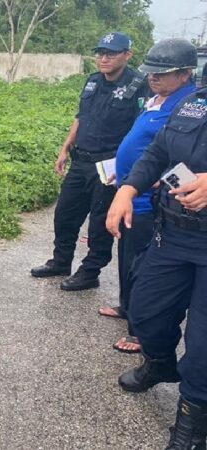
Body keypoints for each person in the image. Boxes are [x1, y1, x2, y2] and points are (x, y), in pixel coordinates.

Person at [105, 42, 206, 449]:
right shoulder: (192, 106)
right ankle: (161, 365)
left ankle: (191, 426)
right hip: (175, 234)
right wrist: (127, 189)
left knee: (202, 346)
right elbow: (158, 151)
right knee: (144, 311)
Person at [97, 39, 197, 354]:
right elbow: (149, 150)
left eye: (161, 73)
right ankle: (128, 307)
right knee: (128, 260)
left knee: (143, 269)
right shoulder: (156, 100)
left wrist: (157, 182)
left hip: (149, 206)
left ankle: (140, 332)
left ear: (184, 74)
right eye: (150, 72)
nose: (152, 78)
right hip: (130, 196)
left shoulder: (188, 107)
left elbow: (184, 159)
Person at [31, 32, 149, 291]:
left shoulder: (139, 86)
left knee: (99, 223)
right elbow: (81, 117)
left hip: (109, 166)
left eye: (111, 53)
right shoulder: (93, 81)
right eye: (100, 53)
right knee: (65, 214)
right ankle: (61, 261)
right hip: (81, 160)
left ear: (127, 55)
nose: (103, 58)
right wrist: (65, 147)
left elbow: (143, 129)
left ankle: (90, 271)